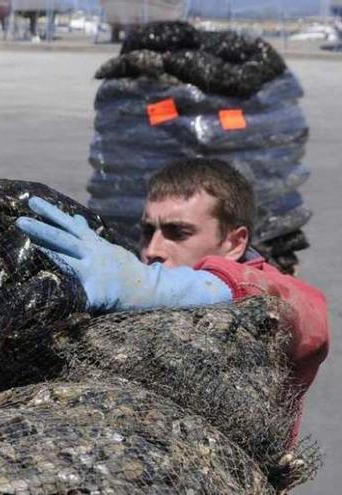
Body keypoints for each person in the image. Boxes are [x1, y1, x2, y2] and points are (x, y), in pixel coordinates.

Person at [16, 158, 328, 438]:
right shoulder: (129, 293)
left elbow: (298, 308)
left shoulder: (278, 292)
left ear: (235, 242)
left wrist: (152, 286)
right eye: (148, 231)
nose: (154, 249)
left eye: (178, 233)